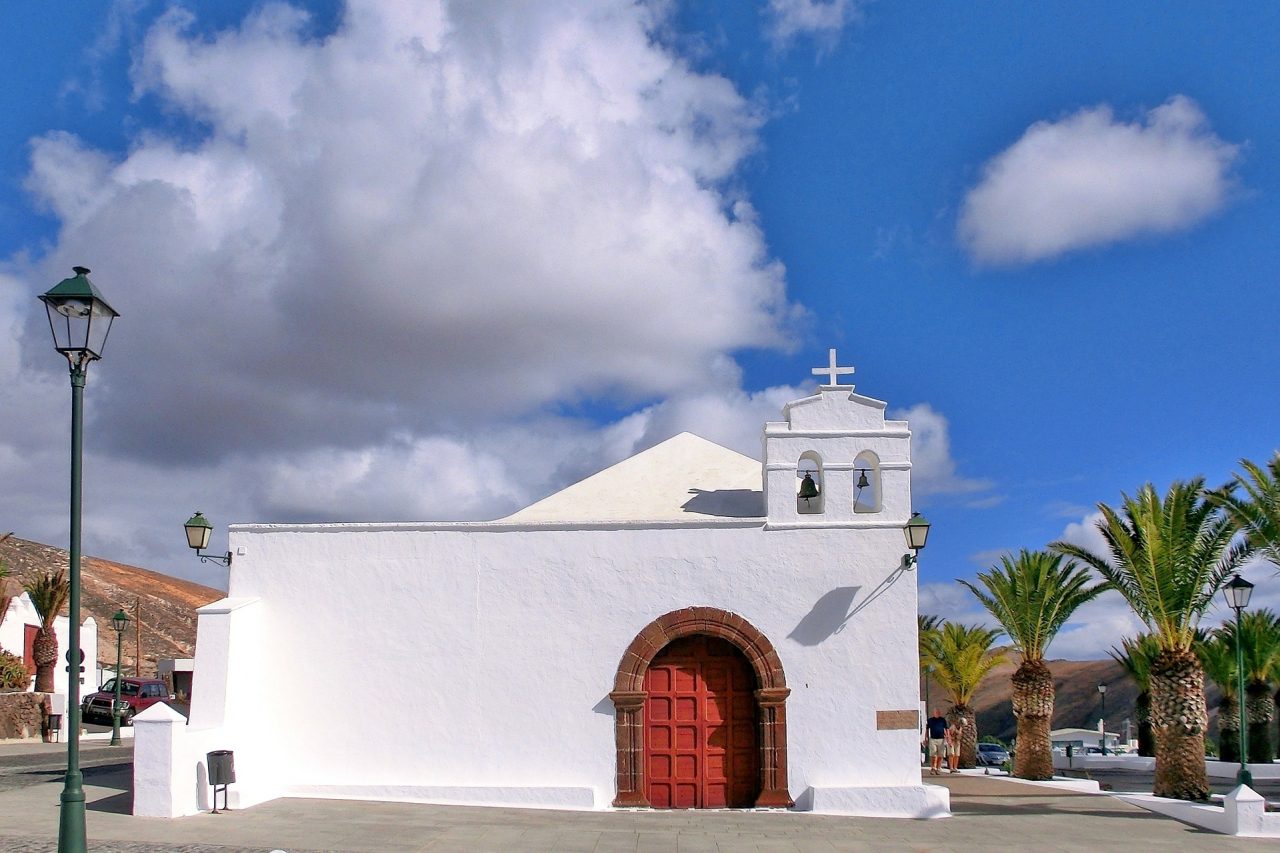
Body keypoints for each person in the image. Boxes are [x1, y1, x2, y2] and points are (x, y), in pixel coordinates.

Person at [924, 708, 949, 776]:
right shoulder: (930, 720)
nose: (937, 713)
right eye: (936, 712)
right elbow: (927, 729)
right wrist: (926, 737)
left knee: (941, 755)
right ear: (934, 713)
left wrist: (948, 737)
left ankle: (938, 768)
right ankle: (933, 768)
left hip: (942, 739)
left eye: (938, 712)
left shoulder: (942, 720)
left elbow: (946, 729)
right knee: (933, 755)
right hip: (933, 739)